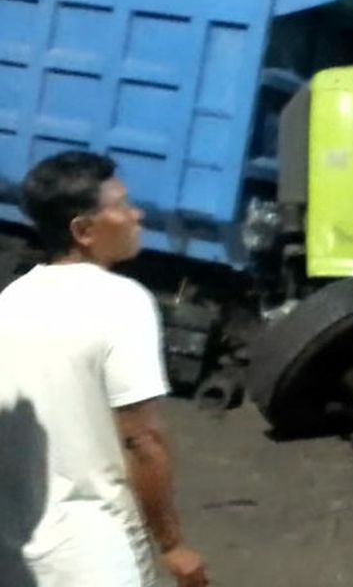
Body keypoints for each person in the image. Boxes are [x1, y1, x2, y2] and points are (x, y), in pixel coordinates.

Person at [0, 152, 207, 587]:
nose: (137, 215)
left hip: (17, 550)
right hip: (96, 554)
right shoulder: (123, 302)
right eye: (121, 205)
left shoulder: (11, 300)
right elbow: (143, 441)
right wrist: (172, 544)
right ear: (84, 230)